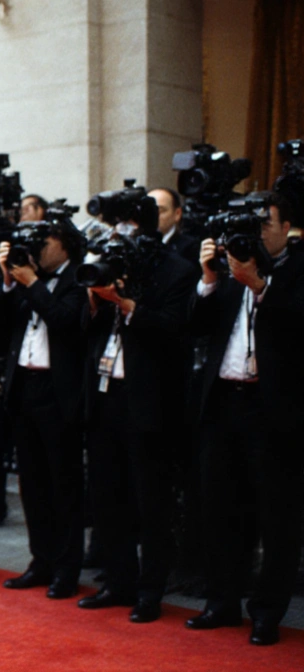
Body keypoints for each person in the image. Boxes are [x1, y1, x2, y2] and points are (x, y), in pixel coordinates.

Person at [186, 192, 302, 646]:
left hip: (275, 410)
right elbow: (195, 326)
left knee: (276, 518)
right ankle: (221, 602)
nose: (254, 234)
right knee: (220, 509)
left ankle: (267, 613)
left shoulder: (296, 269)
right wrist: (210, 278)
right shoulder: (232, 267)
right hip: (223, 404)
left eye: (264, 224)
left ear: (287, 226)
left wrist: (260, 285)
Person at [77, 212, 195, 623]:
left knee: (151, 505)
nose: (119, 233)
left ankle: (150, 591)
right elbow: (84, 333)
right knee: (109, 499)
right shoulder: (110, 261)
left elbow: (174, 332)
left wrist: (128, 306)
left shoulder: (176, 270)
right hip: (105, 397)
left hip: (149, 403)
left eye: (126, 224)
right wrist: (95, 302)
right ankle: (118, 582)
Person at [0, 220, 87, 599]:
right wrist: (8, 281)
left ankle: (67, 568)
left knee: (62, 485)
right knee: (31, 484)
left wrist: (31, 283)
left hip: (59, 392)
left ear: (64, 244)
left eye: (43, 242)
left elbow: (67, 323)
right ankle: (40, 561)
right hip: (24, 389)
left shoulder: (80, 278)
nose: (37, 250)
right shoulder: (24, 279)